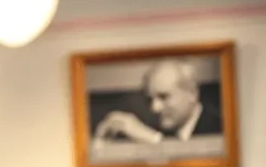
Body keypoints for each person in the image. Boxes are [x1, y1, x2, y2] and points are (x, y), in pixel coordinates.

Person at [94, 59, 222, 143]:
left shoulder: (221, 129)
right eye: (150, 99)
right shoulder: (158, 127)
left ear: (192, 93)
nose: (155, 108)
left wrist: (153, 140)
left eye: (164, 97)